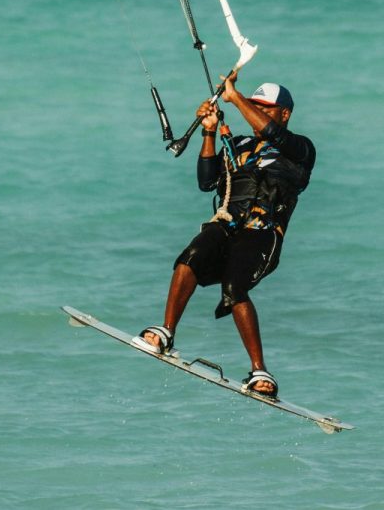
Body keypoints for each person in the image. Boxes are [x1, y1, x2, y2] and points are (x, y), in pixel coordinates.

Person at [134, 73, 315, 398]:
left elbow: (270, 132)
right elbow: (207, 181)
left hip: (262, 234)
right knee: (189, 257)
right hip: (227, 225)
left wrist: (236, 98)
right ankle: (166, 332)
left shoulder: (300, 149)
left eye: (265, 107)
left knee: (235, 286)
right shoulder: (241, 144)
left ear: (284, 113)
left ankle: (260, 371)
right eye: (254, 105)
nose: (257, 111)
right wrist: (209, 131)